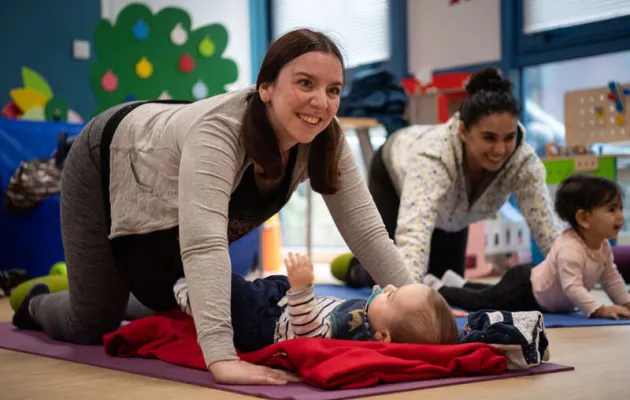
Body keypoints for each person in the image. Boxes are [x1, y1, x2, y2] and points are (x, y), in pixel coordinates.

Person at [10, 29, 416, 386]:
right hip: (106, 155)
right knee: (92, 323)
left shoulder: (326, 138)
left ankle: (105, 287)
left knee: (166, 298)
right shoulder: (221, 132)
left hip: (164, 160)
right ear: (266, 88)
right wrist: (222, 358)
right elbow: (204, 245)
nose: (320, 102)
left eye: (333, 90)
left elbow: (367, 233)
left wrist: (423, 310)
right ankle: (40, 298)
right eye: (305, 83)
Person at [346, 67, 562, 285]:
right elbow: (414, 230)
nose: (500, 150)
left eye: (509, 137)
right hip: (391, 169)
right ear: (463, 132)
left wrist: (571, 276)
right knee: (386, 273)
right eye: (489, 138)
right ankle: (355, 268)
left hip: (453, 213)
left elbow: (545, 226)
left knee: (447, 282)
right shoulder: (434, 157)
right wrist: (408, 297)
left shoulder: (524, 162)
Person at [423, 175, 630, 320]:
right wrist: (597, 309)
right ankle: (439, 288)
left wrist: (626, 302)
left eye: (620, 208)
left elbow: (611, 278)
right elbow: (572, 287)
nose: (620, 216)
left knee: (491, 291)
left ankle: (457, 281)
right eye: (612, 209)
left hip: (532, 282)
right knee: (483, 301)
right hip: (525, 291)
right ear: (584, 218)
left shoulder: (601, 246)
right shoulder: (571, 249)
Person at [174, 252, 459, 350]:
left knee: (232, 292)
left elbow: (307, 331)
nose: (389, 286)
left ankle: (185, 292)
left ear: (383, 336)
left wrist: (301, 290)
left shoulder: (352, 333)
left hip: (264, 326)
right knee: (272, 282)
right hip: (281, 305)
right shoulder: (373, 320)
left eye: (392, 295)